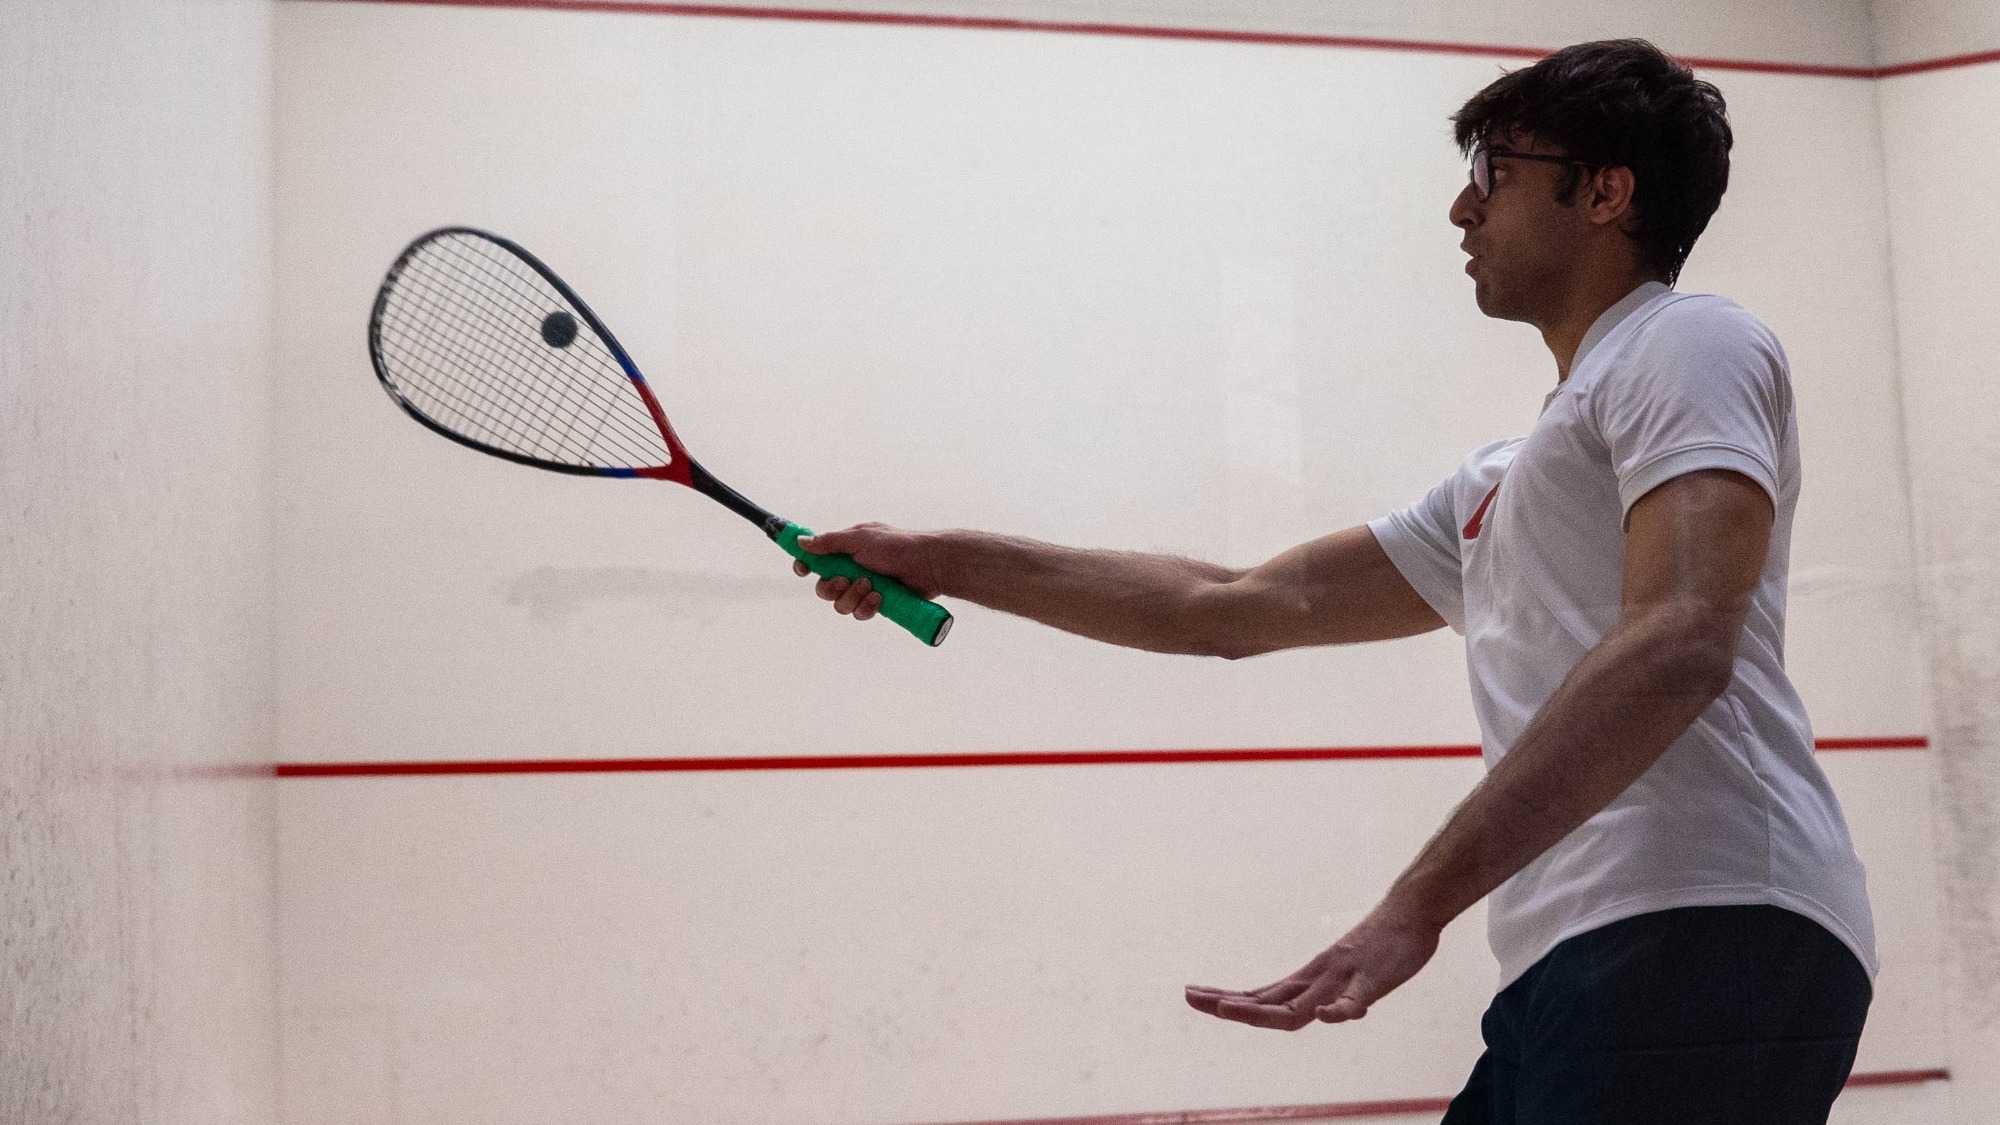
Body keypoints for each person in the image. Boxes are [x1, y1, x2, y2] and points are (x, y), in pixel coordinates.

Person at [793, 39, 1874, 1124]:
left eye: (1492, 171)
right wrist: (941, 560)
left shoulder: (1688, 342)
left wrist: (1414, 905)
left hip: (1709, 922)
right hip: (1582, 957)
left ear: (1605, 192)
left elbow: (1683, 636)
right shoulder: (1499, 482)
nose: (1461, 209)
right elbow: (1224, 606)